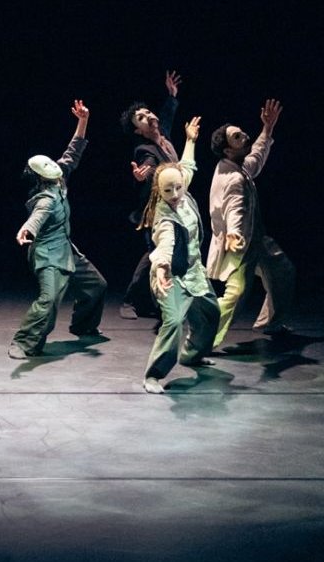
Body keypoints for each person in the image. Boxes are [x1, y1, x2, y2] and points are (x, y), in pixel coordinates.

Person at [9, 100, 108, 360]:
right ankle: (24, 342)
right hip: (47, 255)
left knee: (96, 286)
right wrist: (26, 231)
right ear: (40, 177)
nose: (56, 166)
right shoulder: (45, 197)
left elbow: (73, 151)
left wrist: (83, 120)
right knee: (49, 299)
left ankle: (83, 325)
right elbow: (37, 217)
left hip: (67, 249)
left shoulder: (59, 176)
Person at [138, 117, 219, 394]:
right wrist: (161, 270)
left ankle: (192, 355)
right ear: (159, 191)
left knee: (210, 313)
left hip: (194, 271)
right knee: (173, 321)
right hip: (170, 275)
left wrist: (191, 140)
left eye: (177, 188)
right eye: (167, 190)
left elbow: (186, 166)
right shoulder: (163, 215)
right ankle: (153, 375)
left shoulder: (182, 189)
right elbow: (165, 243)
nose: (174, 194)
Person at [206, 99, 295, 349]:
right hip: (240, 246)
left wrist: (267, 129)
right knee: (235, 296)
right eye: (237, 137)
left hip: (256, 239)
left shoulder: (235, 165)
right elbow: (234, 209)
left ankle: (271, 322)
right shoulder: (233, 178)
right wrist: (234, 235)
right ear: (227, 150)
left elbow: (256, 157)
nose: (244, 135)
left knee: (282, 272)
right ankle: (203, 338)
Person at [118, 70, 182, 320]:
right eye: (141, 119)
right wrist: (143, 175)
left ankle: (156, 300)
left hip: (174, 208)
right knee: (155, 254)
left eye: (147, 113)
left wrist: (172, 96)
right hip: (155, 212)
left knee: (169, 254)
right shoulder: (144, 148)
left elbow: (166, 116)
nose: (148, 117)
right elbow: (150, 166)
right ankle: (130, 300)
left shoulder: (163, 135)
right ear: (138, 131)